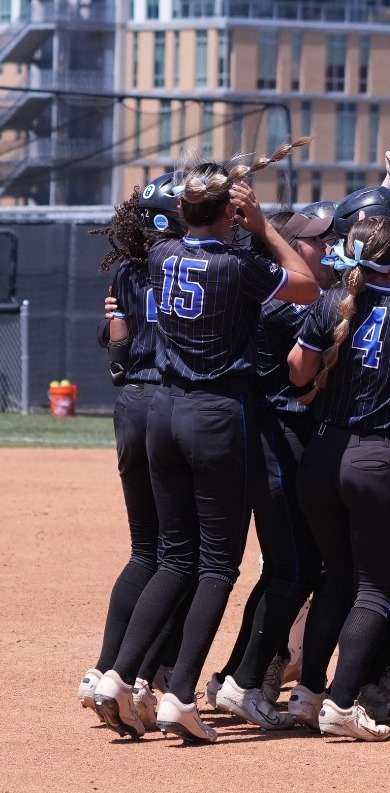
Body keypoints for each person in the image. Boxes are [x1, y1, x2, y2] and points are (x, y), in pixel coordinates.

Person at [91, 139, 320, 743]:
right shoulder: (240, 264)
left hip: (161, 412)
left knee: (169, 555)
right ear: (226, 215)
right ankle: (181, 694)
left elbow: (168, 228)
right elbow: (306, 285)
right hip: (216, 413)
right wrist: (264, 225)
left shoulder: (161, 255)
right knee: (218, 562)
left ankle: (116, 674)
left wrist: (213, 202)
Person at [285, 216, 390, 741]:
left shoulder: (330, 302)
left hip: (322, 455)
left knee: (336, 577)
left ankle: (308, 695)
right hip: (376, 458)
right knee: (376, 589)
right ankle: (340, 702)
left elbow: (298, 373)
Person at [207, 210, 335, 730]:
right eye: (317, 243)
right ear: (289, 249)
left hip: (278, 438)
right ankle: (242, 681)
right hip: (275, 439)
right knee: (293, 568)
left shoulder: (278, 293)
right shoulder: (283, 303)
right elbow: (326, 309)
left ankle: (234, 675)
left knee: (290, 566)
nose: (328, 248)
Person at [80, 179, 179, 712]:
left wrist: (120, 358)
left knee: (146, 550)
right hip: (172, 407)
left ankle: (103, 667)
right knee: (180, 554)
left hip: (132, 405)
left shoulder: (127, 270)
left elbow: (116, 339)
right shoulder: (190, 266)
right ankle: (138, 671)